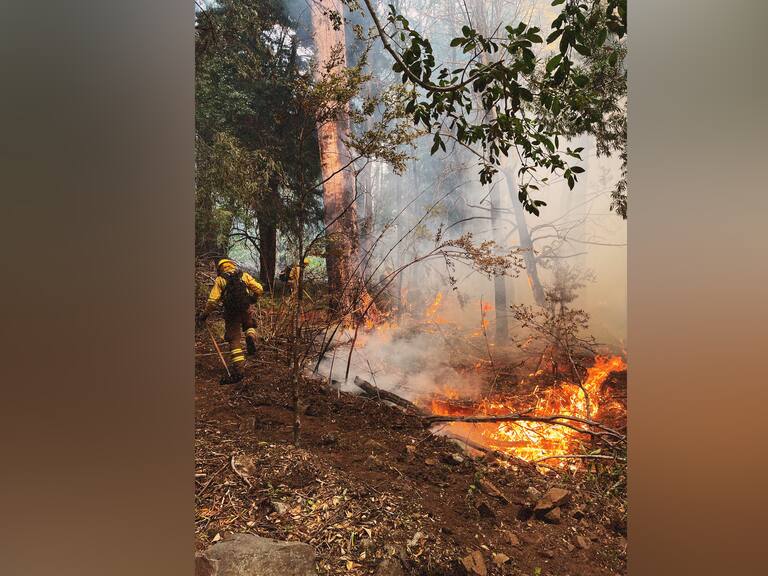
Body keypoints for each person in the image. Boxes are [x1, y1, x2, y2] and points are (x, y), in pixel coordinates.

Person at [197, 257, 264, 384]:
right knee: (249, 324)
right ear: (232, 265)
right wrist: (253, 298)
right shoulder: (243, 275)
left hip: (231, 313)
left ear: (220, 268)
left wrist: (205, 314)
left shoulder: (220, 279)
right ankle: (250, 336)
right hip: (245, 308)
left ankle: (239, 371)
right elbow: (259, 288)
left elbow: (212, 301)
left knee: (234, 340)